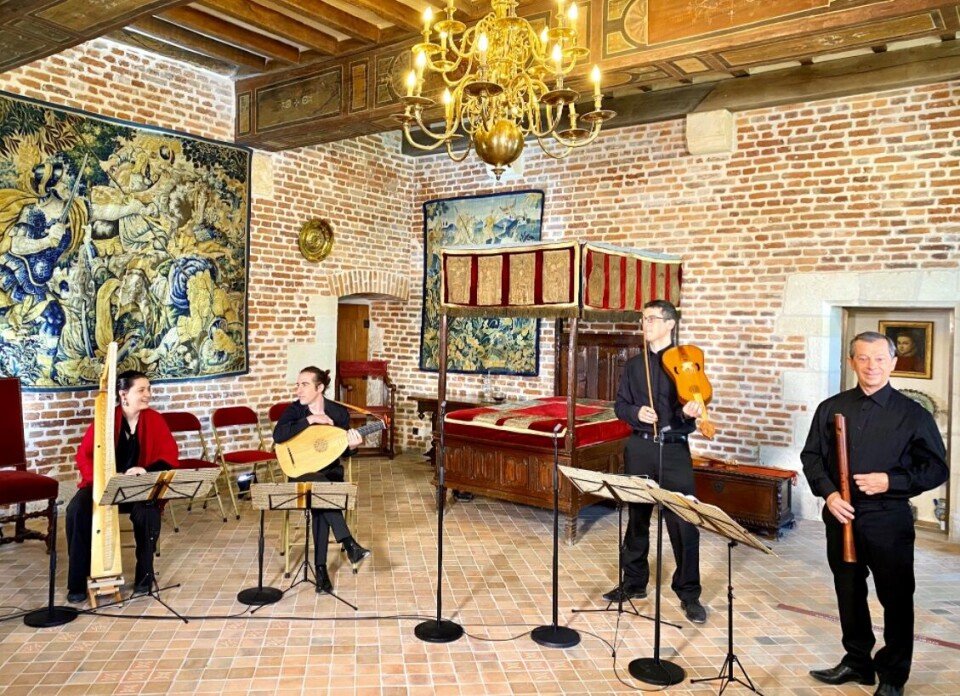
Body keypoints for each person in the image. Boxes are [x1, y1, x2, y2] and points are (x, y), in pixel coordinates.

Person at [801, 331, 947, 696]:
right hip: (842, 515)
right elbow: (812, 457)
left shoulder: (913, 415)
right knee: (848, 591)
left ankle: (893, 676)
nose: (872, 366)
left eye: (880, 358)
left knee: (896, 597)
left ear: (893, 363)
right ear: (852, 362)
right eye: (863, 358)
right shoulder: (831, 407)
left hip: (888, 519)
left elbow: (936, 469)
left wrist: (890, 481)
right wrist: (829, 494)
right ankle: (857, 662)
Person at [604, 299, 707, 624]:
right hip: (640, 448)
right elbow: (620, 405)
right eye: (643, 319)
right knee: (636, 519)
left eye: (651, 319)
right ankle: (634, 583)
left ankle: (689, 593)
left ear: (669, 324)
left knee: (684, 523)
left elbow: (695, 402)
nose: (645, 324)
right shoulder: (634, 365)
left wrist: (690, 411)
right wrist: (636, 413)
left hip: (674, 450)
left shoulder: (687, 361)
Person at [65, 370, 180, 603]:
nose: (148, 394)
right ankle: (76, 583)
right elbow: (84, 456)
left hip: (138, 487)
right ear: (123, 395)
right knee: (76, 510)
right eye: (142, 390)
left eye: (149, 389)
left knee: (147, 513)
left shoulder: (155, 419)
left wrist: (144, 471)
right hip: (103, 485)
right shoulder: (105, 419)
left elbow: (169, 456)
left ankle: (144, 578)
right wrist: (103, 479)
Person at [273, 366, 371, 593]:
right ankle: (347, 543)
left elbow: (342, 450)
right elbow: (279, 436)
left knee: (320, 497)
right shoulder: (295, 411)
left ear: (320, 388)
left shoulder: (338, 414)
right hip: (299, 474)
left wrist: (353, 447)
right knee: (319, 492)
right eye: (298, 384)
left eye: (304, 385)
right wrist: (310, 420)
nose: (298, 390)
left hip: (330, 474)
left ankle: (321, 570)